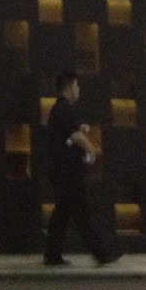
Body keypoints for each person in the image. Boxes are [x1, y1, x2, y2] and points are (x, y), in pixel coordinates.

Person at [43, 69, 120, 267]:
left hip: (60, 170)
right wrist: (91, 150)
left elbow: (69, 135)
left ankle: (52, 254)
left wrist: (80, 131)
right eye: (77, 85)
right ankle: (102, 253)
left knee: (62, 213)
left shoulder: (59, 110)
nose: (79, 89)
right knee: (82, 213)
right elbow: (75, 137)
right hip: (67, 172)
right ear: (70, 87)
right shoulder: (64, 109)